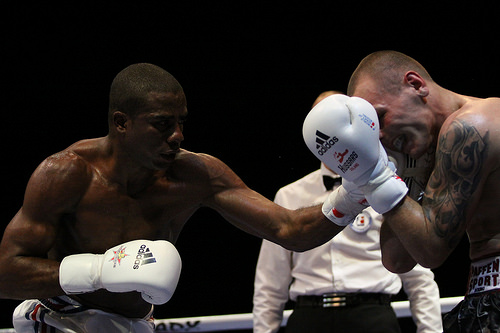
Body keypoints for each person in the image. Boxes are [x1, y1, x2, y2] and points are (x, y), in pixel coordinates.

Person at [0, 63, 342, 333]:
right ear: (122, 123)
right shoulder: (66, 174)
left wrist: (356, 193)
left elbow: (290, 231)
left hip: (134, 325)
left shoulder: (195, 175)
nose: (177, 136)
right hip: (61, 319)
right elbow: (6, 274)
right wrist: (99, 271)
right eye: (162, 124)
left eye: (181, 122)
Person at [302, 50, 500, 332]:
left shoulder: (469, 127)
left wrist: (375, 177)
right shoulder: (433, 145)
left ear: (416, 85)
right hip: (485, 292)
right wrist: (407, 169)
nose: (378, 136)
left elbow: (431, 252)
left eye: (380, 117)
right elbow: (397, 259)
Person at [253, 92, 442, 333]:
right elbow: (270, 283)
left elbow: (417, 273)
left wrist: (431, 330)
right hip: (309, 318)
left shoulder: (386, 182)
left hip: (373, 316)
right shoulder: (289, 195)